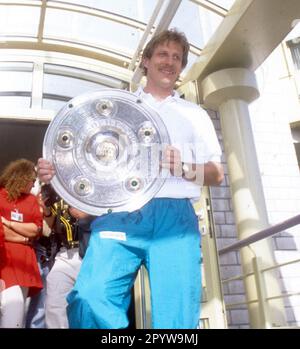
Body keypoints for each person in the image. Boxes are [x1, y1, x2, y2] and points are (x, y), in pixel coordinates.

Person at [37, 28, 224, 329]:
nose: (170, 62)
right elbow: (83, 157)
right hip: (120, 213)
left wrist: (186, 167)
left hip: (174, 218)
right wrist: (55, 171)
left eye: (177, 57)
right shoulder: (117, 106)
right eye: (163, 54)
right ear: (146, 61)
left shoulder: (194, 114)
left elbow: (217, 174)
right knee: (89, 296)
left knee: (175, 319)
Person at [0, 159, 43, 328]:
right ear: (22, 177)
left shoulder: (31, 200)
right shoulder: (1, 196)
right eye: (32, 180)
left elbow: (35, 230)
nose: (33, 185)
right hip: (5, 260)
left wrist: (8, 223)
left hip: (24, 264)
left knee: (17, 314)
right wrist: (24, 238)